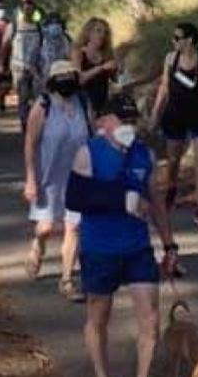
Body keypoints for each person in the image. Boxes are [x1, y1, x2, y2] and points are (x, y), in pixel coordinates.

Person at [68, 92, 179, 377]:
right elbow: (75, 199)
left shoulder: (145, 154)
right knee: (98, 319)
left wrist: (170, 246)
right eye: (122, 119)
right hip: (100, 248)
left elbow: (155, 202)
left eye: (132, 120)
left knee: (151, 320)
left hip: (137, 248)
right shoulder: (88, 153)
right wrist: (121, 199)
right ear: (105, 122)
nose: (128, 125)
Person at [23, 59, 90, 302]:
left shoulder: (82, 103)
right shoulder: (43, 106)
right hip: (49, 176)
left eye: (69, 77)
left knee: (74, 226)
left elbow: (90, 136)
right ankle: (38, 246)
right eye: (61, 78)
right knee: (47, 227)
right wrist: (30, 178)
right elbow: (30, 143)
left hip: (78, 176)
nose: (66, 82)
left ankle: (67, 279)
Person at [148, 22, 198, 230]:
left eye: (177, 37)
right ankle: (171, 189)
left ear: (189, 40)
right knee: (173, 160)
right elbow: (164, 86)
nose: (173, 41)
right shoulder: (170, 59)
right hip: (175, 115)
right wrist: (155, 113)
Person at [1, 0, 44, 131]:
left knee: (39, 96)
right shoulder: (14, 24)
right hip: (19, 66)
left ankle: (38, 121)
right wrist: (1, 63)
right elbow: (5, 44)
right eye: (26, 3)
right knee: (23, 96)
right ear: (22, 6)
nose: (29, 7)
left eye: (31, 4)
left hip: (36, 66)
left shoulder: (39, 25)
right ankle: (24, 122)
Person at [73, 17, 118, 112]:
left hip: (103, 105)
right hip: (82, 104)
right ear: (89, 33)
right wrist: (101, 68)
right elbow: (79, 79)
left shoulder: (107, 55)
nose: (102, 35)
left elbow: (114, 82)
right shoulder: (78, 52)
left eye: (105, 32)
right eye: (98, 31)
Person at [33, 12, 73, 87]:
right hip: (44, 80)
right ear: (47, 25)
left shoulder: (67, 39)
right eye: (52, 23)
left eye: (57, 23)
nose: (55, 26)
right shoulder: (40, 39)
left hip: (62, 80)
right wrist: (39, 79)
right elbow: (32, 64)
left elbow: (71, 58)